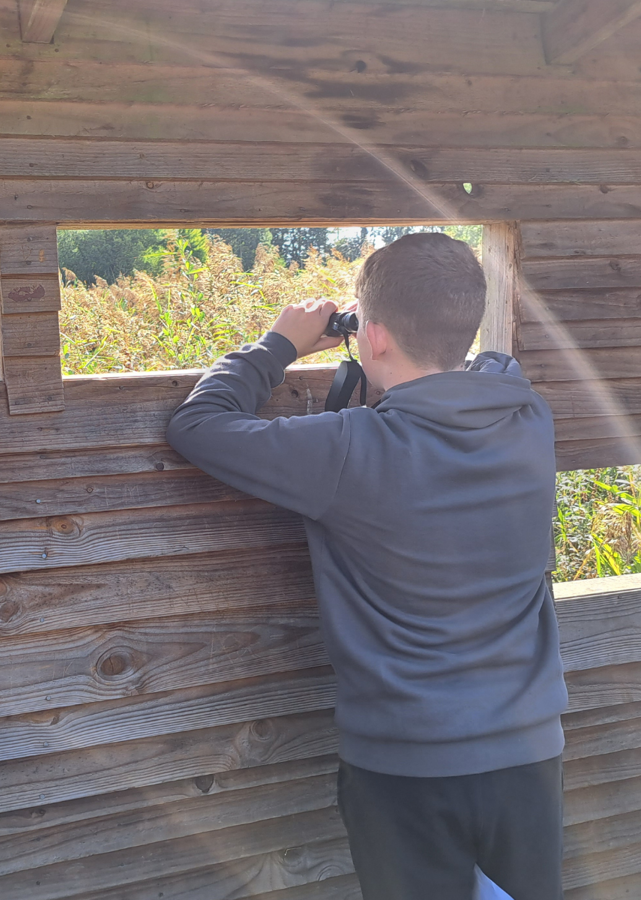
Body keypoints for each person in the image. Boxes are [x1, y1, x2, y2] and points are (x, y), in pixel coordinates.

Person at [166, 233, 567, 899]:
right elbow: (489, 365)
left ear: (372, 336)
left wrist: (281, 344)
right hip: (528, 754)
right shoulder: (527, 414)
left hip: (406, 766)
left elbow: (198, 425)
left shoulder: (350, 449)